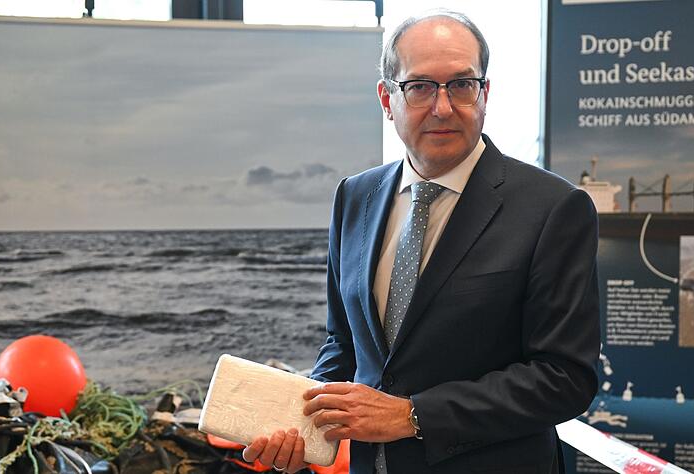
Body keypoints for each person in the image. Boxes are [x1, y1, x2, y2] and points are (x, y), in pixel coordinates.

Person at [243, 10, 600, 473]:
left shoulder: (554, 207)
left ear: (485, 94)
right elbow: (344, 341)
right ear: (387, 99)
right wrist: (305, 428)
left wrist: (412, 416)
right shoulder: (355, 196)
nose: (443, 107)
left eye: (462, 84)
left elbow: (566, 379)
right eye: (420, 86)